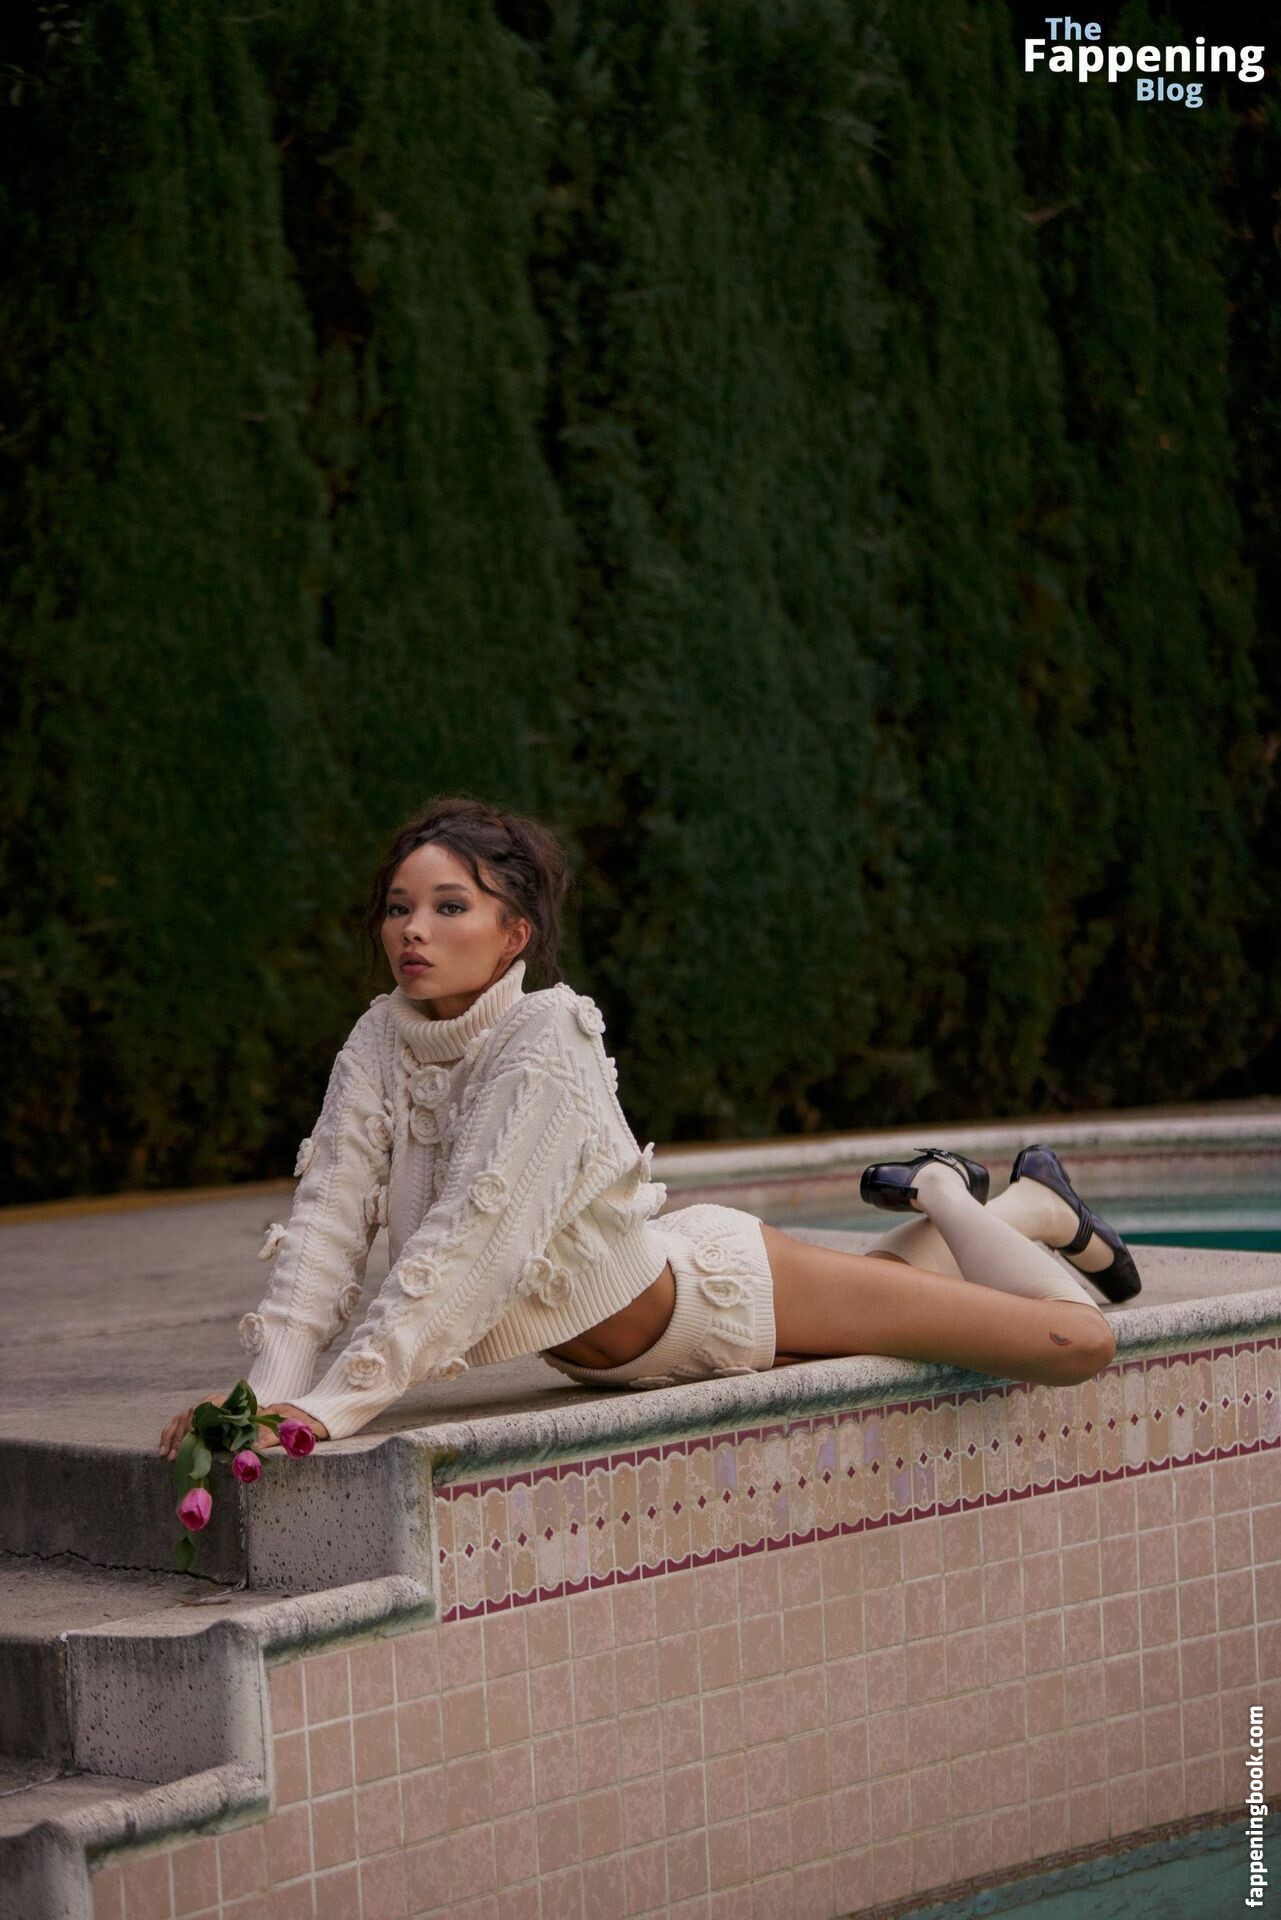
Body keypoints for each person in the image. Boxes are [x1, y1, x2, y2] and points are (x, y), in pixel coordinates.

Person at [159, 795, 1132, 1459]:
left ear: (514, 934)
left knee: (1072, 1343)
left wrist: (327, 1409)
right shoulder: (379, 1037)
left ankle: (942, 1189)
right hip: (632, 1355)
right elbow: (326, 1230)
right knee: (894, 1291)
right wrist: (261, 1397)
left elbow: (470, 1244)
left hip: (720, 1297)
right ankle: (1032, 1207)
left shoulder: (549, 1034)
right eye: (398, 908)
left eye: (450, 906)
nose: (412, 929)